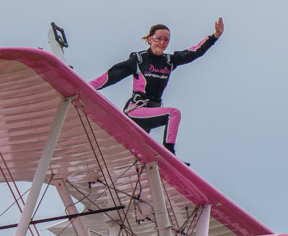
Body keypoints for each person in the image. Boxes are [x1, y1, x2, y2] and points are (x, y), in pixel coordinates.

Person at [89, 18, 224, 156]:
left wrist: (214, 37)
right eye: (158, 38)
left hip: (151, 113)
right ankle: (169, 153)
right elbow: (111, 75)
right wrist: (86, 87)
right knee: (173, 113)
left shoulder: (169, 61)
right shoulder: (139, 60)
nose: (162, 42)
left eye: (166, 40)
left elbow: (194, 52)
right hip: (135, 111)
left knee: (135, 155)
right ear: (149, 39)